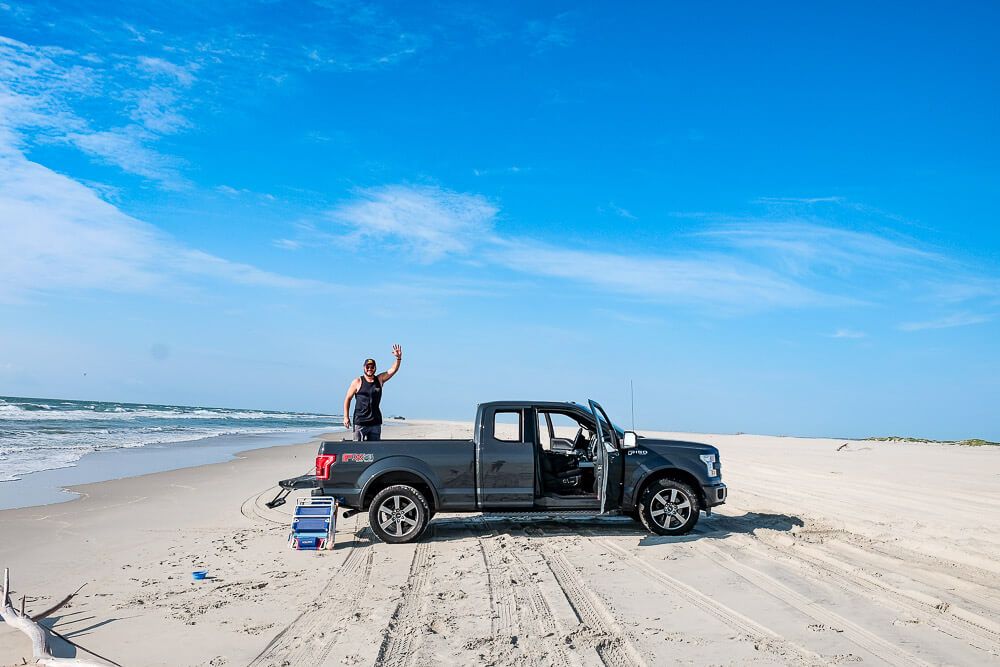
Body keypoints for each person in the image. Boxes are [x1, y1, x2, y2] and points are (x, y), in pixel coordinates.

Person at [342, 344, 402, 441]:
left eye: (372, 367)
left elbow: (393, 370)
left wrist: (398, 358)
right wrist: (346, 417)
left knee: (374, 450)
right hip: (360, 422)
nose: (370, 369)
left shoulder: (380, 379)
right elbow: (347, 399)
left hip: (375, 422)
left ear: (375, 368)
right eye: (367, 367)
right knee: (358, 451)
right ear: (364, 367)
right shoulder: (357, 382)